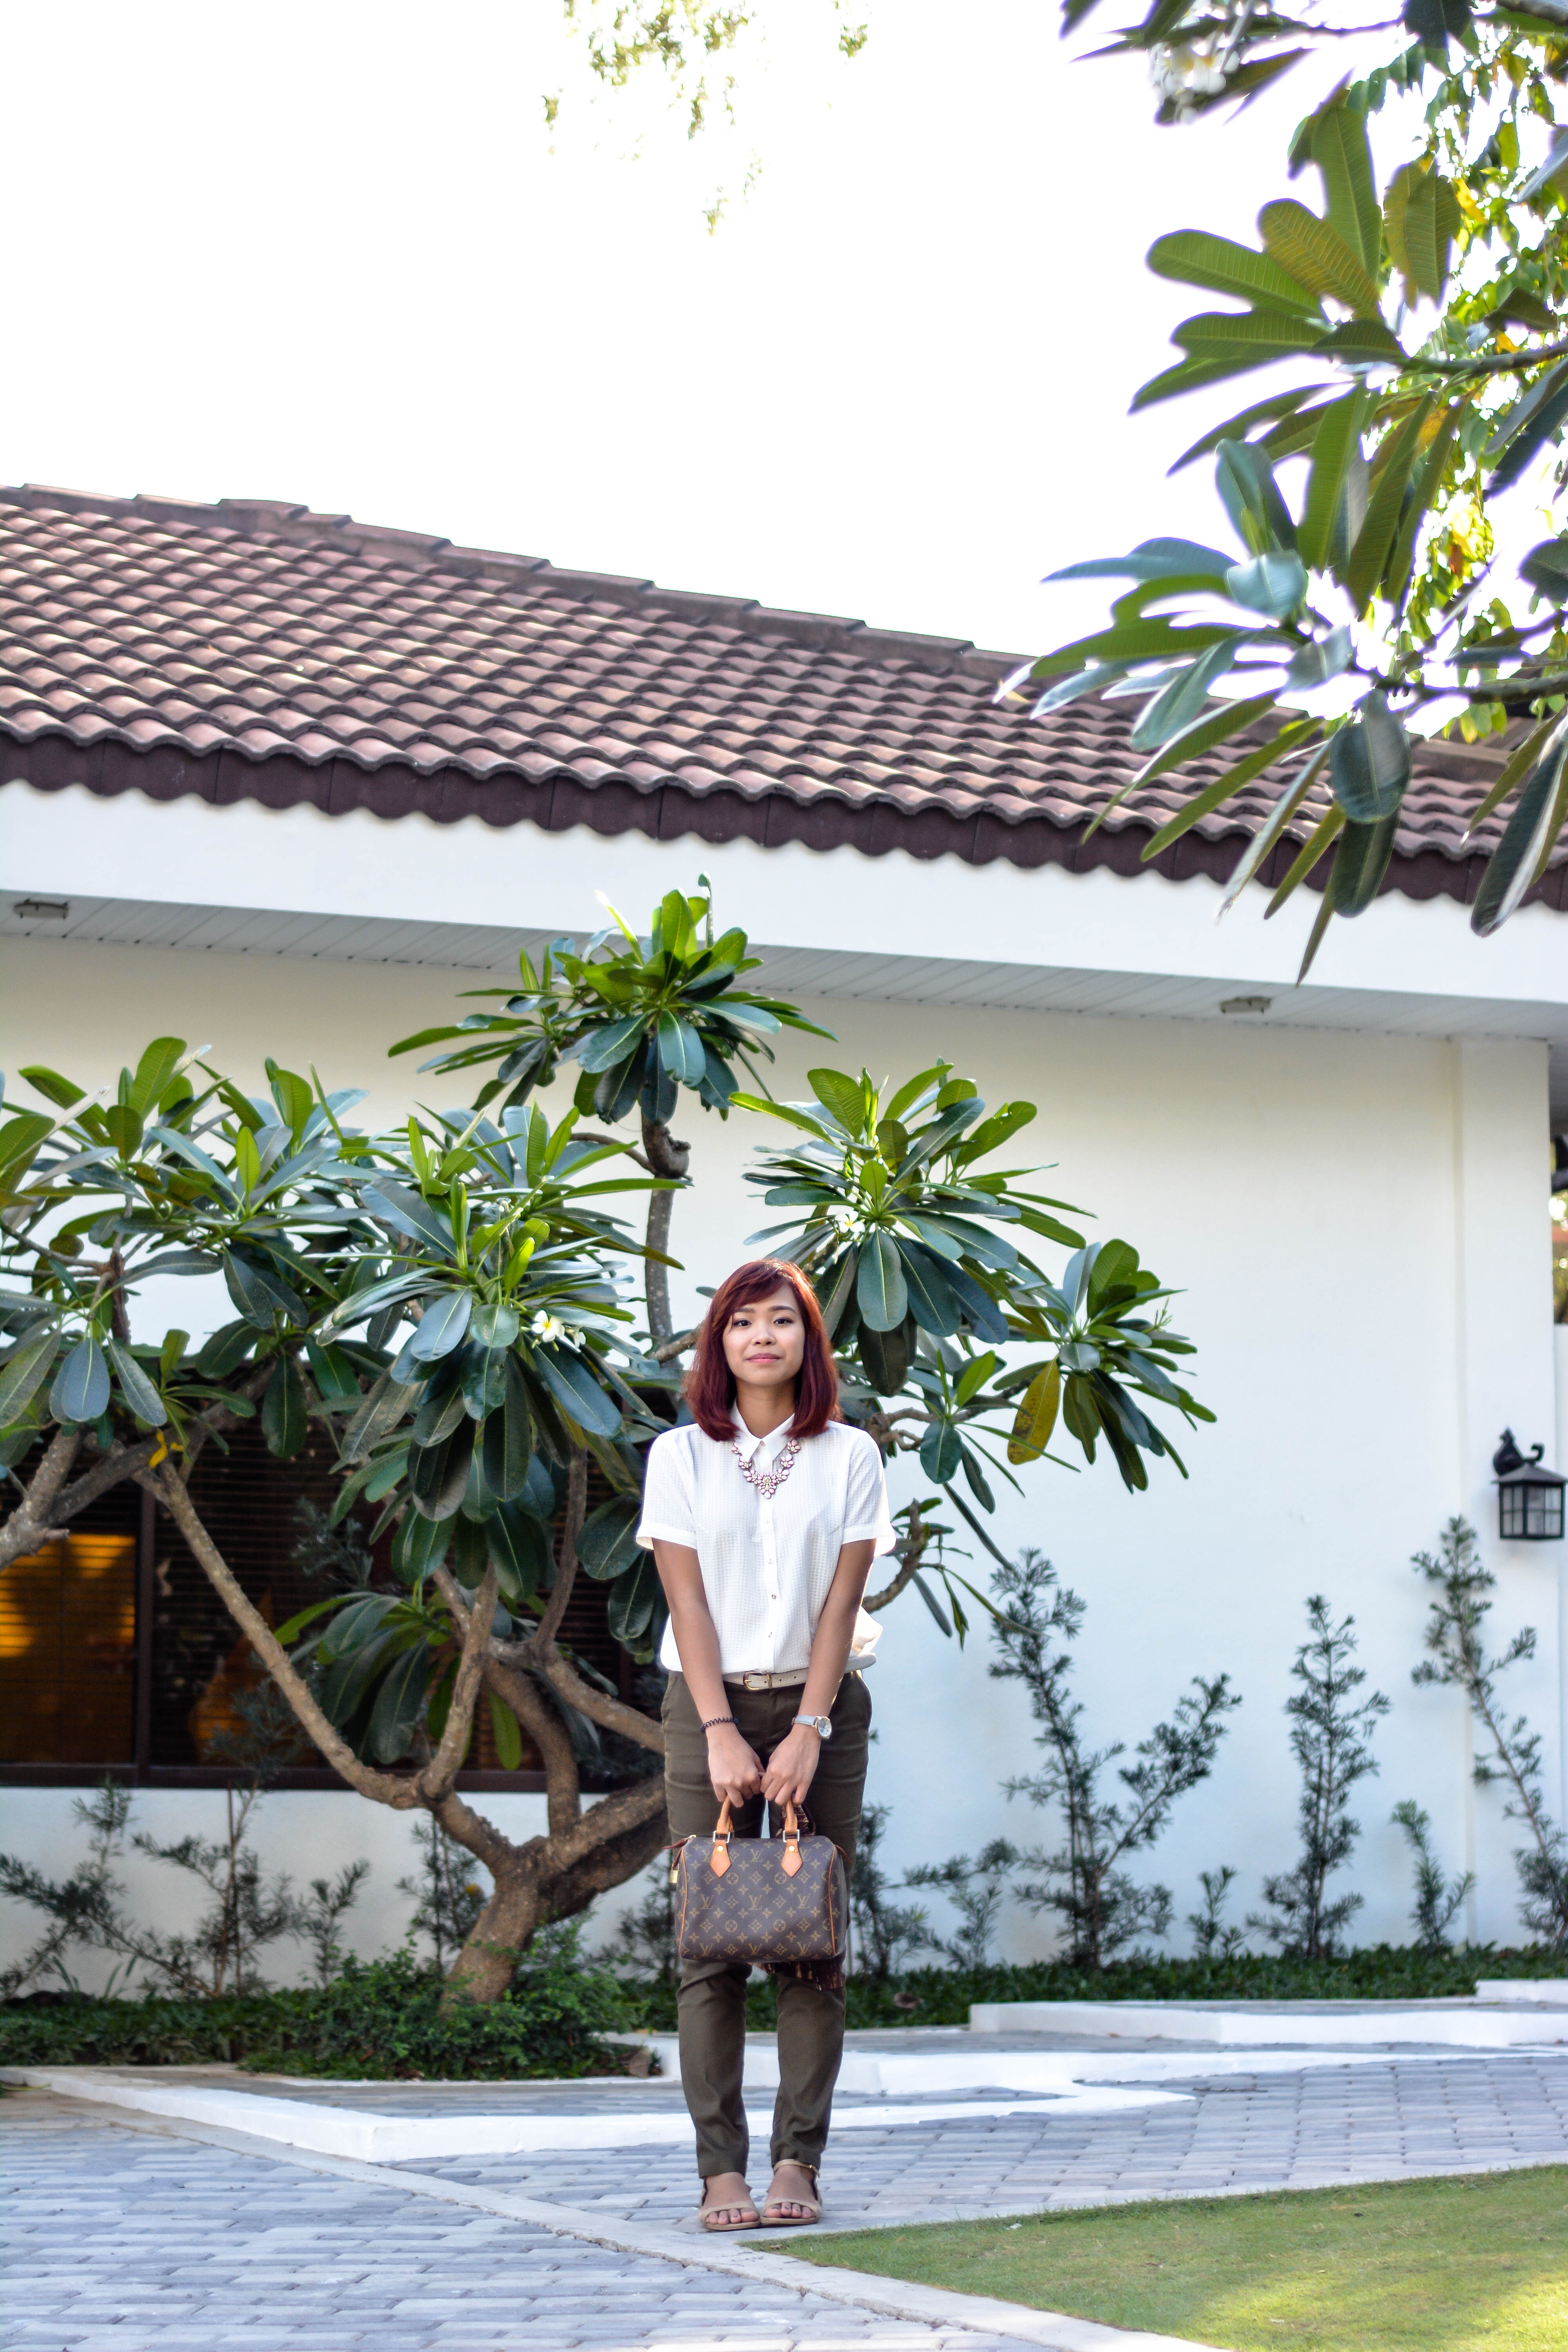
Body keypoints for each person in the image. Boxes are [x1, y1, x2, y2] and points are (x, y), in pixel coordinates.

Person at [638, 1257, 893, 2232]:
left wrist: (807, 1731)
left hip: (821, 1713)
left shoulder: (850, 1454)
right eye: (742, 1321)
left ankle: (798, 2162)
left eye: (780, 1321)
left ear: (805, 1340)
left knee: (809, 1946)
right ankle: (720, 2173)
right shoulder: (679, 1456)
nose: (761, 1337)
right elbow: (686, 1603)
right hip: (704, 1709)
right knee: (708, 1950)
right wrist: (717, 1732)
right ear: (719, 1341)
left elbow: (841, 1604)